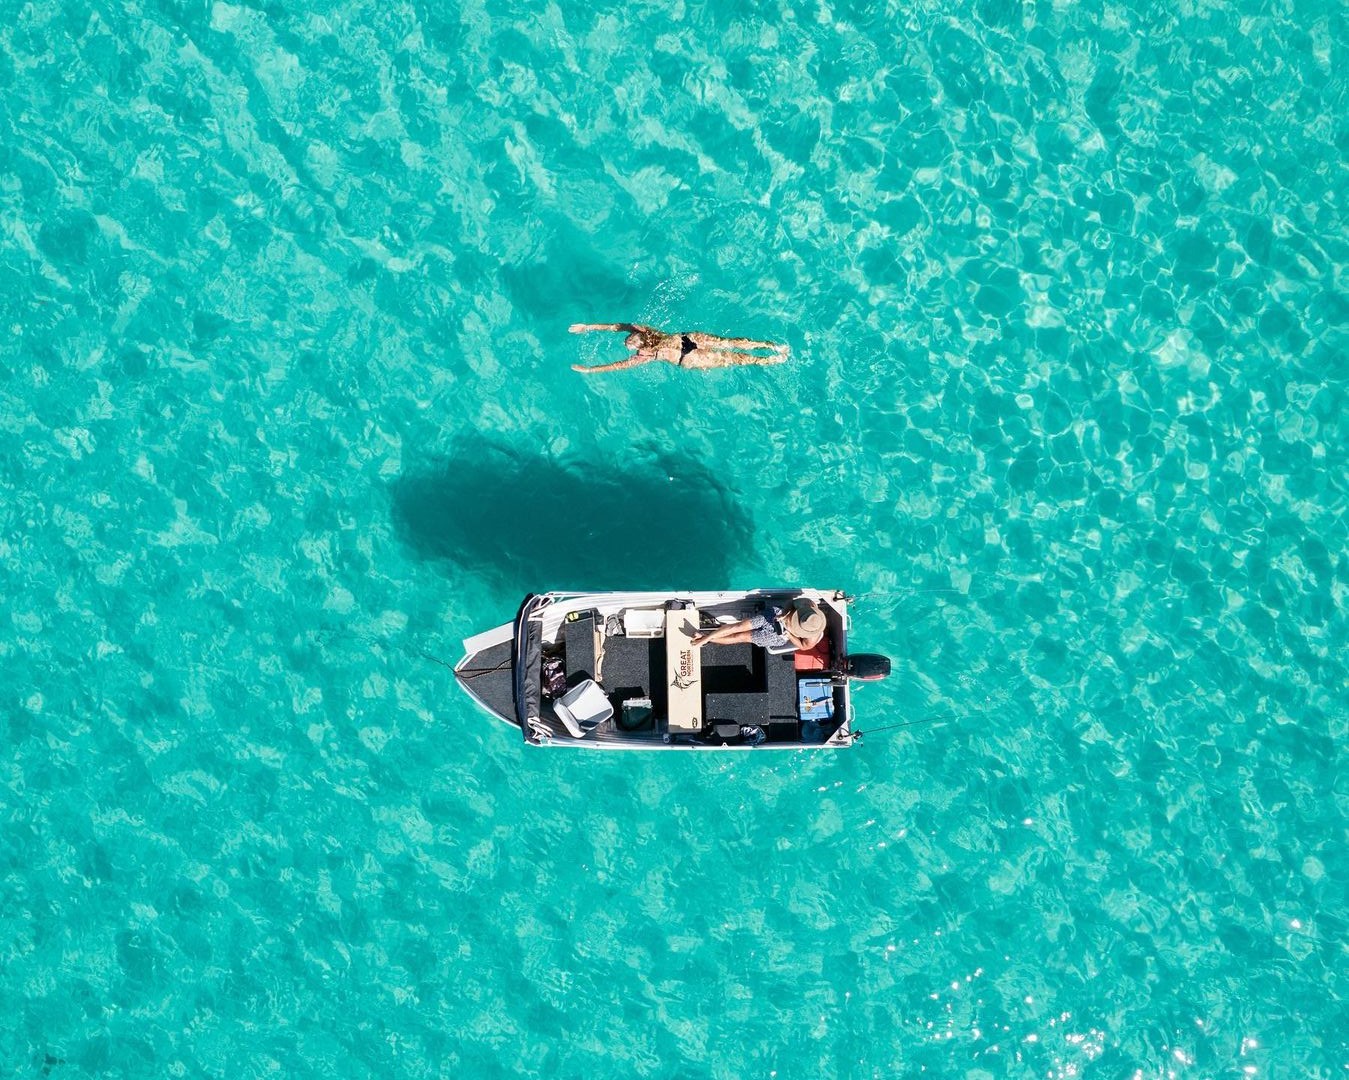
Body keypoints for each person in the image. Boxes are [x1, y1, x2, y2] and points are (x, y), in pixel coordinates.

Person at [570, 322, 789, 372]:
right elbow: (618, 364)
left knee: (729, 346)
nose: (627, 344)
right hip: (687, 354)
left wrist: (589, 327)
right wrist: (591, 369)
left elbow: (616, 328)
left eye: (629, 341)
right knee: (731, 354)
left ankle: (771, 349)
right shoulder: (644, 347)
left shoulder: (644, 334)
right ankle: (769, 356)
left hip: (688, 343)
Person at [690, 598, 826, 651]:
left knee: (740, 637)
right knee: (738, 627)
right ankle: (705, 639)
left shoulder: (812, 638)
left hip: (780, 636)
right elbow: (791, 602)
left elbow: (803, 646)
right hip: (775, 616)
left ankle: (705, 637)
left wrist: (789, 635)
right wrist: (783, 614)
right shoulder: (808, 604)